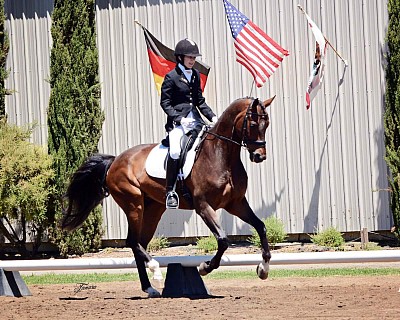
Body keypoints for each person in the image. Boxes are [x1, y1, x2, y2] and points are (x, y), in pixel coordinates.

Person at [160, 38, 217, 209]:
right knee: (176, 151)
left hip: (196, 121)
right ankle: (170, 191)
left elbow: (199, 101)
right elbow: (165, 103)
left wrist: (213, 117)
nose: (192, 60)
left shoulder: (195, 75)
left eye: (194, 57)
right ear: (180, 58)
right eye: (189, 57)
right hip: (179, 123)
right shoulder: (171, 77)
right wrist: (179, 118)